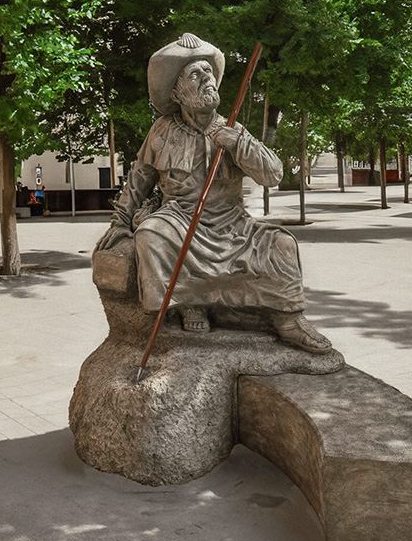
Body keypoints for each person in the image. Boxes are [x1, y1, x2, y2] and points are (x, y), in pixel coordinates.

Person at [95, 33, 331, 354]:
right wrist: (120, 222)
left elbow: (273, 173)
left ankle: (288, 319)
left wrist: (238, 144)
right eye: (195, 74)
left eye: (209, 72)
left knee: (282, 245)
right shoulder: (161, 130)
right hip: (179, 221)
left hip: (233, 226)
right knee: (150, 234)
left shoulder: (233, 129)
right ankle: (189, 303)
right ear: (178, 93)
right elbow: (140, 177)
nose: (207, 79)